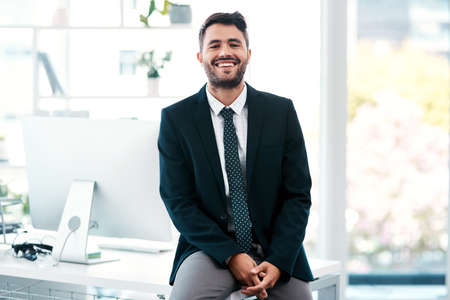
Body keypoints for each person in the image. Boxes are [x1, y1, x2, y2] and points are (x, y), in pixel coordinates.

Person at [158, 11, 313, 300]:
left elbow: (298, 195)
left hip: (273, 248)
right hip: (209, 248)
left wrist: (279, 261)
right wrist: (231, 255)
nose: (224, 52)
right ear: (200, 56)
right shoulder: (176, 119)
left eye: (234, 43)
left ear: (248, 53)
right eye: (214, 45)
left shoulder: (281, 113)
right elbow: (178, 201)